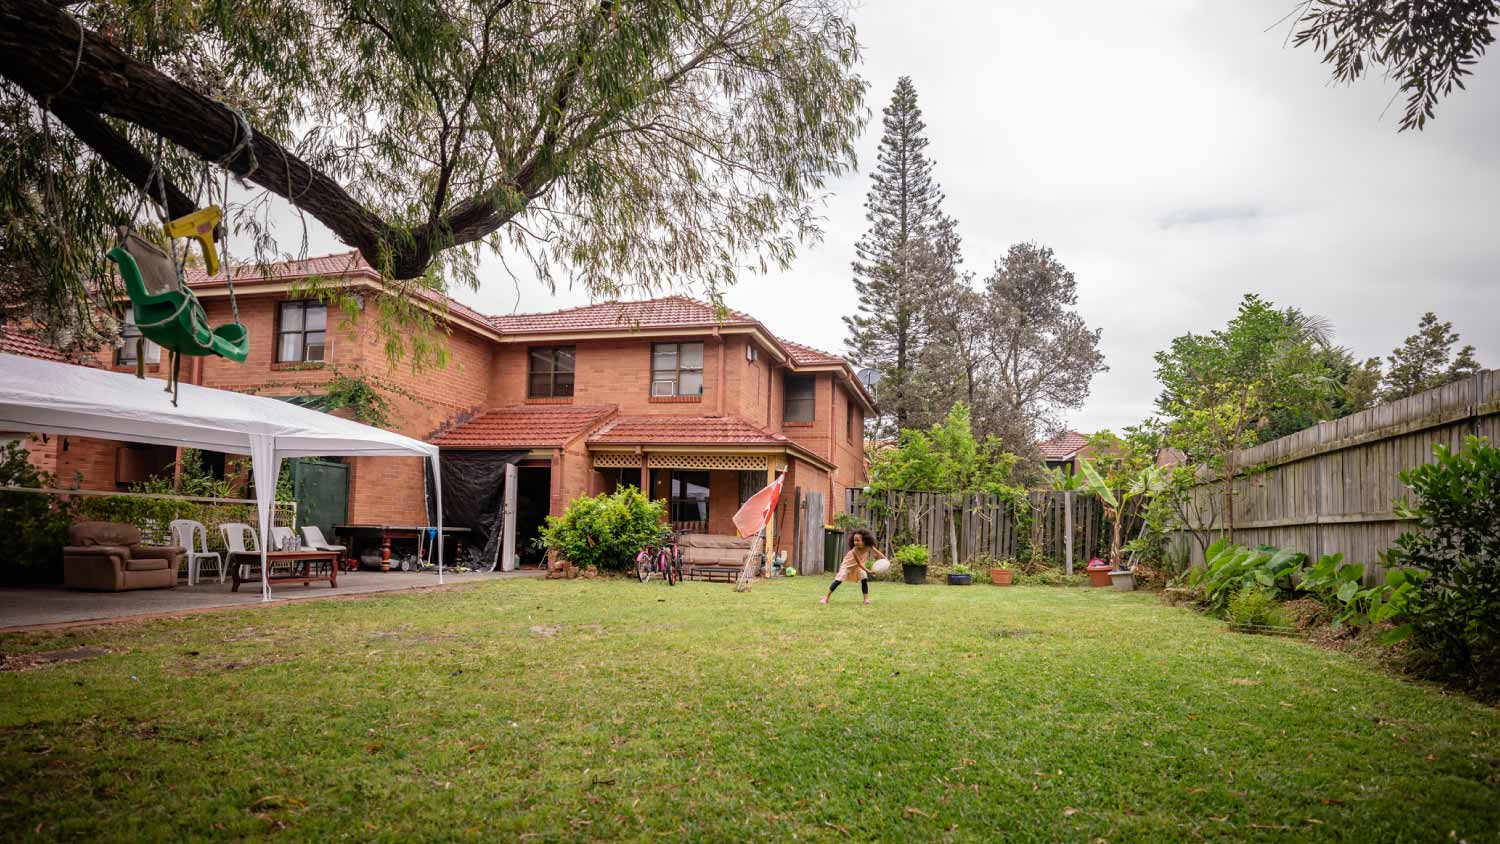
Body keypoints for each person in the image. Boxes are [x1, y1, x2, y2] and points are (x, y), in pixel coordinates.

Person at [820, 528, 885, 605]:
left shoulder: (869, 546)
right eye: (854, 540)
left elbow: (878, 553)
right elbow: (859, 563)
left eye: (858, 540)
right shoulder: (854, 550)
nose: (855, 542)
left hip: (858, 566)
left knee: (864, 579)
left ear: (864, 540)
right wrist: (868, 571)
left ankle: (866, 599)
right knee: (838, 580)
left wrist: (885, 559)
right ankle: (826, 598)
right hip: (847, 565)